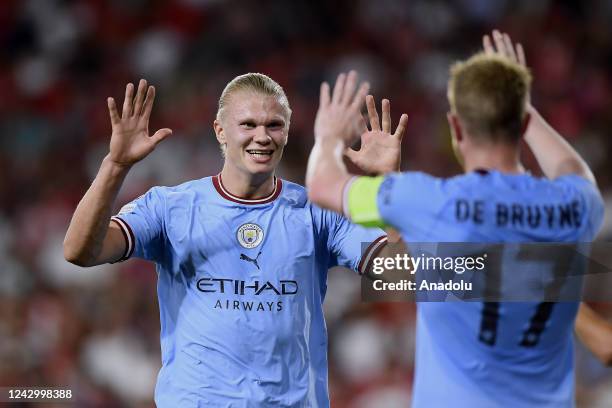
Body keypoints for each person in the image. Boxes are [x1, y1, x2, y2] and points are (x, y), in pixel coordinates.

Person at [306, 30, 605, 407]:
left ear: (457, 127)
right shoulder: (574, 205)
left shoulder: (430, 201)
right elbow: (572, 169)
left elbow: (321, 184)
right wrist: (524, 110)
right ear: (519, 124)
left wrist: (329, 137)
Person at [63, 73, 399, 406]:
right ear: (220, 131)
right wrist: (115, 165)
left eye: (274, 125)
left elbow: (406, 274)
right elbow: (79, 251)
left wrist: (391, 184)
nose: (262, 136)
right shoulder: (170, 206)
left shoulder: (317, 210)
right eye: (249, 125)